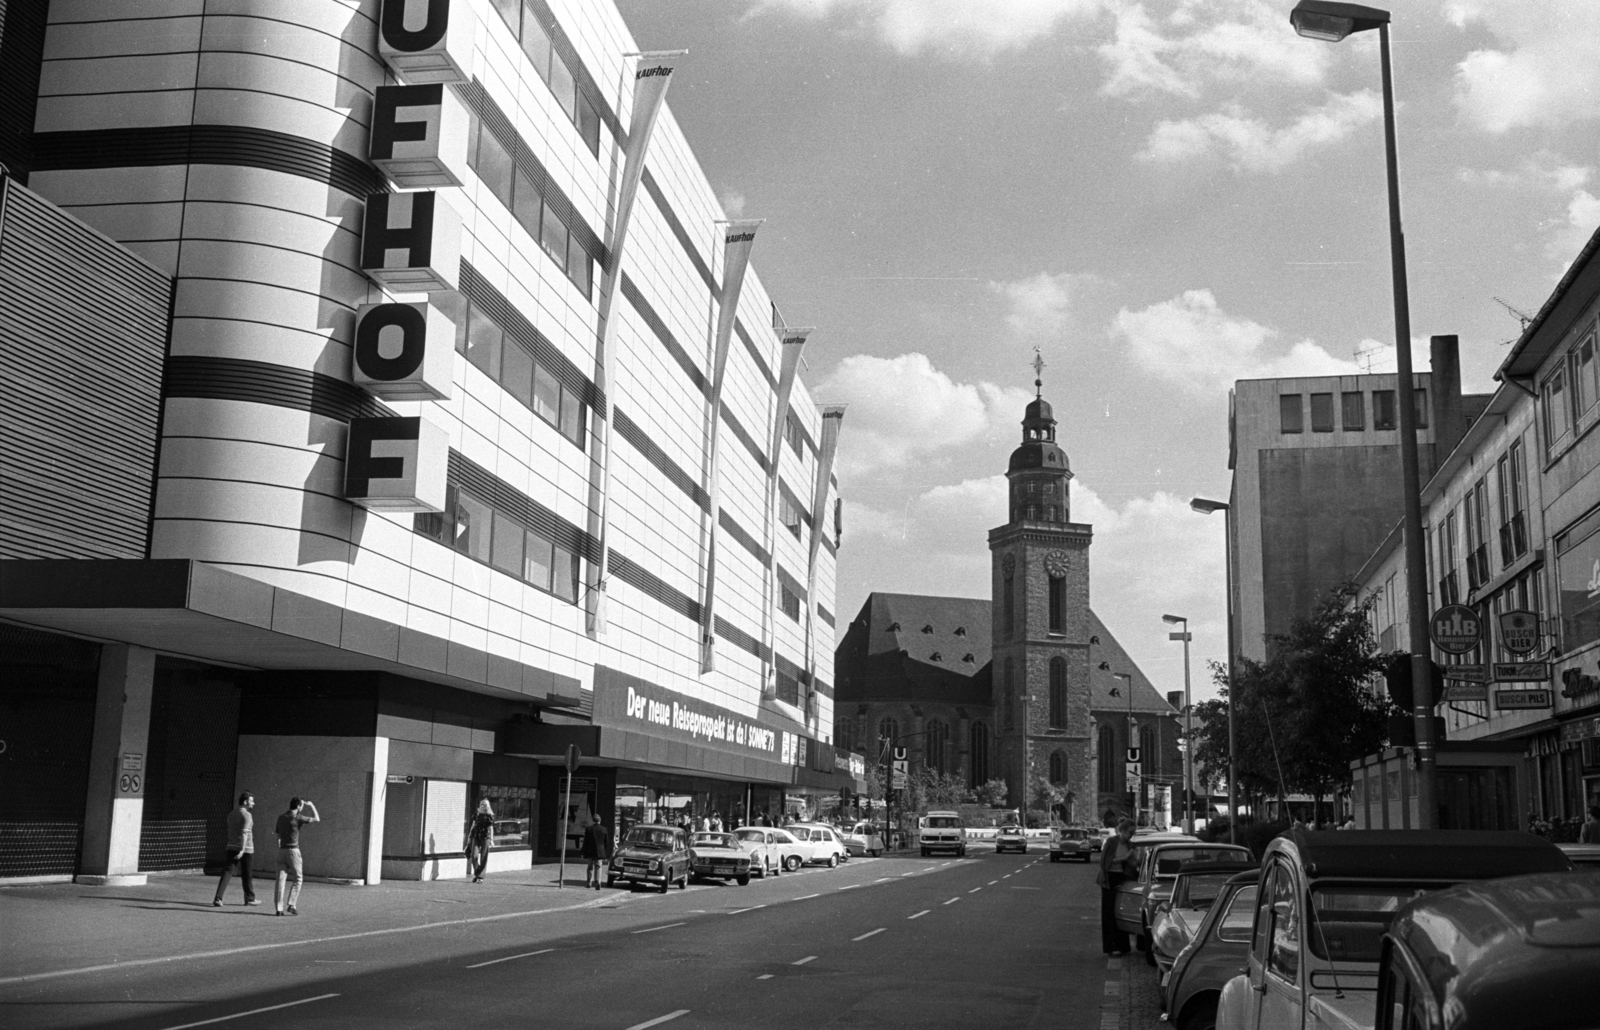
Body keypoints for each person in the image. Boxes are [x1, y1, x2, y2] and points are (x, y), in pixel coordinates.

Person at [213, 791, 260, 907]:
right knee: (247, 874)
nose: (253, 803)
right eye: (251, 801)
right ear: (245, 802)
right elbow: (244, 833)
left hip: (231, 846)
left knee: (227, 872)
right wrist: (242, 850)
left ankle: (218, 898)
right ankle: (249, 898)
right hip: (246, 848)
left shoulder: (231, 814)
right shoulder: (247, 815)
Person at [274, 796, 319, 916]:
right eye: (301, 806)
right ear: (298, 806)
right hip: (293, 851)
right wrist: (311, 805)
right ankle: (291, 904)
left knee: (280, 880)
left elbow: (278, 835)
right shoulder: (298, 817)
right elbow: (317, 819)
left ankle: (279, 909)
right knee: (298, 878)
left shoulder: (281, 817)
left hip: (282, 850)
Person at [1098, 818, 1137, 955]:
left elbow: (1133, 864)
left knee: (1120, 912)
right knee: (1109, 913)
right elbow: (1106, 862)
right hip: (1109, 878)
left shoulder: (1129, 844)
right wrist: (1125, 857)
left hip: (1122, 878)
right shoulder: (1111, 842)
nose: (1132, 835)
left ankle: (1123, 946)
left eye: (1133, 832)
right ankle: (1111, 947)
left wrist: (1133, 859)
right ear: (1122, 831)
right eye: (1130, 832)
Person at [467, 799, 494, 883]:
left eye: (485, 804)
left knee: (484, 857)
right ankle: (478, 873)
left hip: (485, 837)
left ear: (488, 806)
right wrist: (469, 836)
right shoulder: (477, 813)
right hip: (476, 836)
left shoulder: (490, 815)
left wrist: (492, 839)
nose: (483, 805)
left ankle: (480, 877)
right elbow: (473, 824)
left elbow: (491, 828)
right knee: (474, 856)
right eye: (482, 804)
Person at [583, 812, 612, 889]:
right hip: (600, 851)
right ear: (600, 820)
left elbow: (586, 841)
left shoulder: (589, 829)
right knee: (598, 866)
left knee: (589, 867)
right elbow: (606, 842)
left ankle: (589, 883)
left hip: (590, 851)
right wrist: (605, 852)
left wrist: (583, 851)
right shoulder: (604, 829)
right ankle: (598, 882)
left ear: (593, 820)